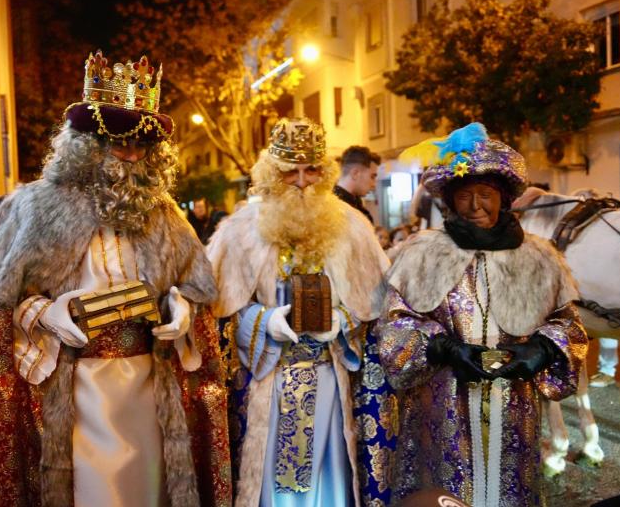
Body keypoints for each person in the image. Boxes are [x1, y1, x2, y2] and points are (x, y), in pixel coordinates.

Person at [0, 50, 231, 506]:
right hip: (75, 387)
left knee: (150, 487)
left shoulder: (165, 215)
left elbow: (195, 289)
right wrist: (46, 314)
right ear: (88, 144)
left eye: (141, 145)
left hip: (149, 384)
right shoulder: (36, 207)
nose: (130, 155)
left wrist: (182, 310)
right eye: (117, 141)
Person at [375, 123, 588, 506]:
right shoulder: (420, 254)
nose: (476, 206)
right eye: (465, 196)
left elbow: (569, 325)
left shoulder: (540, 258)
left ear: (504, 199)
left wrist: (542, 349)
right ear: (450, 202)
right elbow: (395, 322)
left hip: (514, 409)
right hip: (442, 407)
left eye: (486, 195)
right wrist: (443, 349)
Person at [206, 117, 394, 506]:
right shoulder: (240, 230)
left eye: (311, 170)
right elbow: (216, 315)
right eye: (291, 172)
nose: (303, 181)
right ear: (273, 174)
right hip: (267, 383)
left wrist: (344, 323)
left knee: (330, 479)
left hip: (331, 379)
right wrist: (264, 322)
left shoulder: (352, 227)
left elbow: (378, 308)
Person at [333, 145, 380, 223]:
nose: (374, 184)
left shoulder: (356, 203)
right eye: (372, 177)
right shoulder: (334, 208)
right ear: (355, 174)